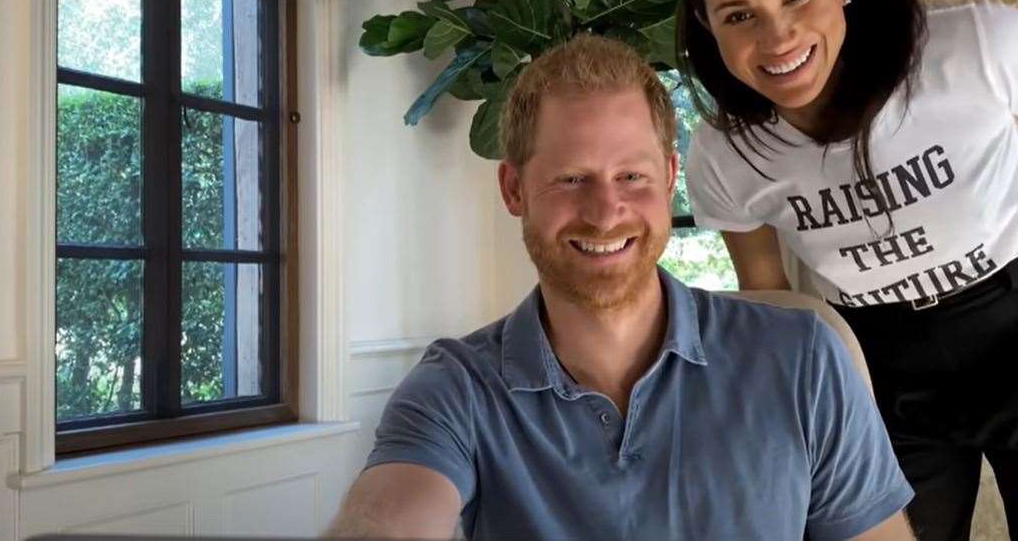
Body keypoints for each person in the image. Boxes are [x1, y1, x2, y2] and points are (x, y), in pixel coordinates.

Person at [326, 34, 915, 540]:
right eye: (571, 178)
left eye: (631, 176)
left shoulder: (804, 359)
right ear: (513, 190)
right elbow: (388, 516)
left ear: (668, 179)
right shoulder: (456, 389)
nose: (605, 213)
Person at [674, 0, 1018, 539]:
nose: (778, 36)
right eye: (738, 15)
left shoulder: (970, 46)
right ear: (704, 21)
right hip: (883, 372)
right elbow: (768, 295)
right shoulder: (726, 153)